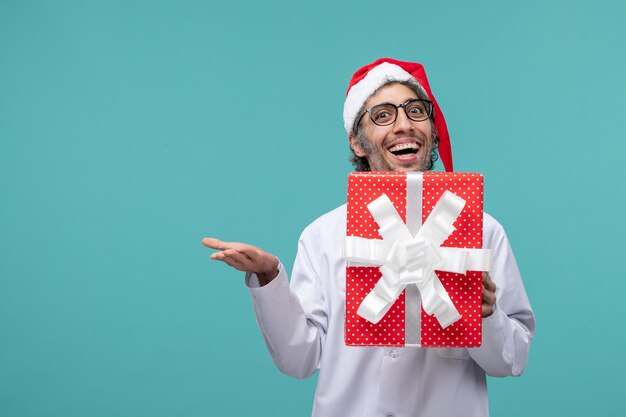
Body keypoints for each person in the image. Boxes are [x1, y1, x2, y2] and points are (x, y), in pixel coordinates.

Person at [202, 58, 535, 417]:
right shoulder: (322, 236)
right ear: (357, 143)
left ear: (434, 129)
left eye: (415, 111)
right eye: (383, 116)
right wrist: (268, 277)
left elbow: (512, 361)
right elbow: (300, 359)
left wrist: (486, 315)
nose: (404, 125)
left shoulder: (482, 231)